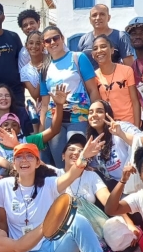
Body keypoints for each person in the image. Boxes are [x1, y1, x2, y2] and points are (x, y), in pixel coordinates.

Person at [0, 140, 129, 252]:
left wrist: (83, 157)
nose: (24, 160)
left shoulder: (49, 183)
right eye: (19, 156)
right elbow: (2, 221)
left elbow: (72, 175)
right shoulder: (4, 185)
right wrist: (7, 250)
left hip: (56, 245)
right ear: (14, 163)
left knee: (79, 220)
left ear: (38, 162)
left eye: (29, 156)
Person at [39, 26, 101, 168]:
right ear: (44, 44)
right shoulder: (44, 68)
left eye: (55, 38)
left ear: (62, 38)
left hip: (79, 116)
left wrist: (97, 116)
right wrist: (41, 133)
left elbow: (93, 90)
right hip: (54, 119)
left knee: (80, 160)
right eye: (48, 40)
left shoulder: (78, 57)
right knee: (61, 164)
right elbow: (44, 104)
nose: (52, 42)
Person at [0, 84, 67, 175]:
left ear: (19, 129)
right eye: (6, 124)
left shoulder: (28, 141)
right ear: (0, 128)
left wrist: (59, 105)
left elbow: (54, 130)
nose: (10, 127)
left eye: (14, 125)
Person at [85, 100, 143, 183]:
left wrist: (121, 134)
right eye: (90, 112)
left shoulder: (121, 127)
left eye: (99, 111)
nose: (94, 115)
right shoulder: (92, 141)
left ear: (108, 114)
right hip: (118, 186)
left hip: (137, 181)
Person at [93, 35, 140, 127]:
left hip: (128, 124)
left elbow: (135, 101)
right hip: (108, 126)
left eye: (103, 46)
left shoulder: (127, 71)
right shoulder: (94, 76)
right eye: (95, 48)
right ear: (92, 54)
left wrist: (137, 127)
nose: (99, 50)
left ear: (112, 50)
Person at [78, 4, 134, 69]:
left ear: (108, 18)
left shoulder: (120, 37)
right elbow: (78, 65)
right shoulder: (84, 39)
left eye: (102, 14)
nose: (98, 18)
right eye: (94, 15)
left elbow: (129, 66)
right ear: (90, 20)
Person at [19, 30, 47, 102]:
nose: (34, 46)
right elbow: (36, 97)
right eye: (31, 43)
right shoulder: (24, 71)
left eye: (38, 43)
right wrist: (42, 75)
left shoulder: (51, 60)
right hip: (43, 106)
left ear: (43, 45)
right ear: (26, 46)